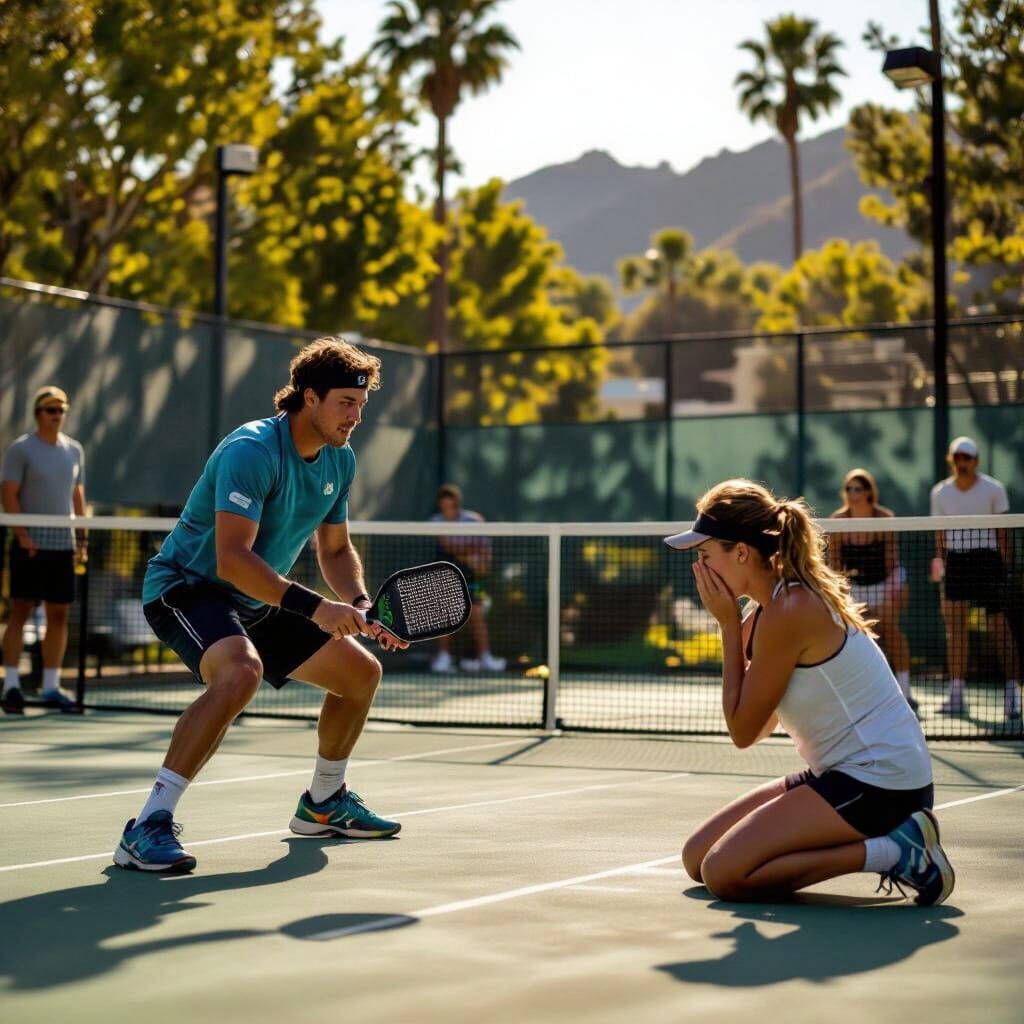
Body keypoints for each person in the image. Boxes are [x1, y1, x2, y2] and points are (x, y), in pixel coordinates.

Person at [113, 338, 409, 874]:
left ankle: (323, 803)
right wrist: (318, 608)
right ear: (309, 397)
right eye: (346, 403)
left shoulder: (339, 461)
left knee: (361, 674)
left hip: (257, 598)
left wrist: (361, 603)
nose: (356, 417)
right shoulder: (251, 450)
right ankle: (148, 825)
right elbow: (230, 559)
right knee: (240, 671)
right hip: (186, 587)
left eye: (362, 405)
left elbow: (336, 549)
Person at [669, 478, 954, 906]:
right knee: (697, 857)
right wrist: (737, 630)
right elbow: (760, 723)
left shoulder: (791, 610)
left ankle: (897, 850)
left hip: (884, 783)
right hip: (839, 774)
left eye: (706, 555)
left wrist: (727, 627)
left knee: (723, 873)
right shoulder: (764, 617)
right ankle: (886, 845)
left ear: (741, 552)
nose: (700, 569)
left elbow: (742, 732)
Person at [1, 386, 87, 714]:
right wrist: (23, 536)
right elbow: (9, 494)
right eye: (51, 409)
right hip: (29, 548)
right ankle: (11, 687)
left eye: (61, 409)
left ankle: (50, 687)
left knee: (59, 615)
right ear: (38, 414)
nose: (57, 415)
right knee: (20, 611)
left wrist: (81, 539)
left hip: (62, 546)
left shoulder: (75, 450)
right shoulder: (20, 449)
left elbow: (78, 497)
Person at [930, 436, 1020, 722]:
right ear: (951, 460)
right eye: (957, 457)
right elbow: (939, 535)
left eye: (966, 458)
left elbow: (1002, 533)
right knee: (955, 630)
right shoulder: (940, 493)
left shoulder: (994, 489)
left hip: (988, 562)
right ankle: (956, 695)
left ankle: (1013, 695)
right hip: (957, 562)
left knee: (1000, 628)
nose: (961, 463)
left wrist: (1003, 568)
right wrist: (942, 565)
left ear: (976, 461)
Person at [830, 468, 916, 712]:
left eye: (857, 489)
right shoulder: (838, 520)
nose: (852, 494)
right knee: (852, 637)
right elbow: (834, 565)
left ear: (869, 492)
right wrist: (845, 597)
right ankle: (856, 696)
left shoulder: (884, 518)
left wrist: (889, 594)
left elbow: (892, 561)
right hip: (852, 588)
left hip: (884, 583)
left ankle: (904, 692)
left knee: (890, 630)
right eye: (848, 488)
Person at [429, 483, 505, 674]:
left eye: (451, 506)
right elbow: (448, 547)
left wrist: (481, 564)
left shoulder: (474, 520)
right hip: (446, 576)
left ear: (457, 503)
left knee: (477, 614)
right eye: (444, 506)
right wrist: (469, 554)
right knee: (447, 615)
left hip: (472, 576)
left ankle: (485, 657)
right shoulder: (435, 522)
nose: (448, 510)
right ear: (440, 505)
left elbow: (485, 550)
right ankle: (444, 658)